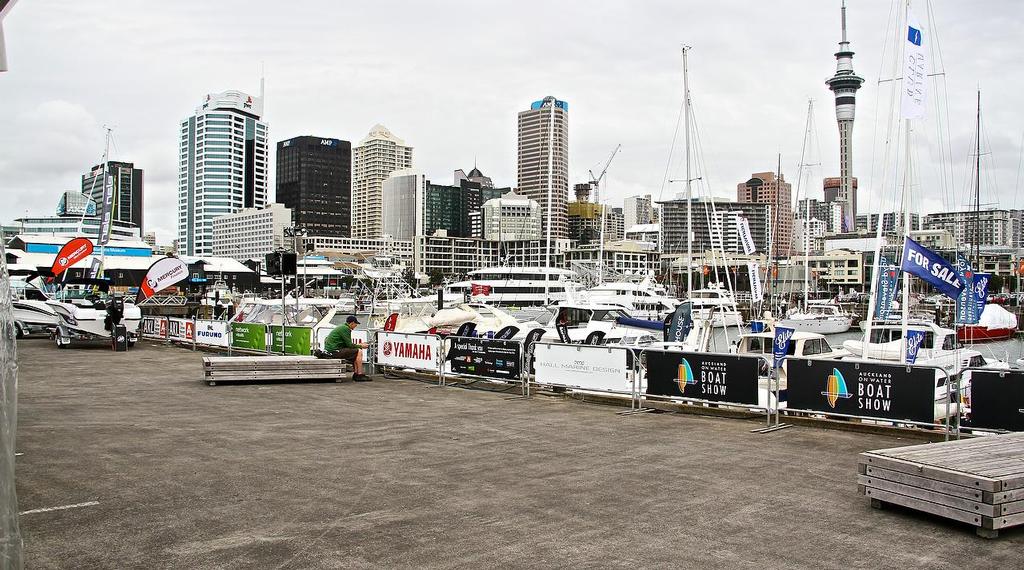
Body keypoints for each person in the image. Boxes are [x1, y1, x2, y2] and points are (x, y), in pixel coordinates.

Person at [323, 316, 370, 381]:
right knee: (359, 351)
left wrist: (359, 345)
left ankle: (357, 374)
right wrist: (361, 346)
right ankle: (359, 374)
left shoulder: (342, 327)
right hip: (334, 352)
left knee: (356, 352)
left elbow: (346, 344)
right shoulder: (346, 329)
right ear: (352, 323)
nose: (356, 326)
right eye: (356, 324)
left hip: (331, 350)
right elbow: (349, 345)